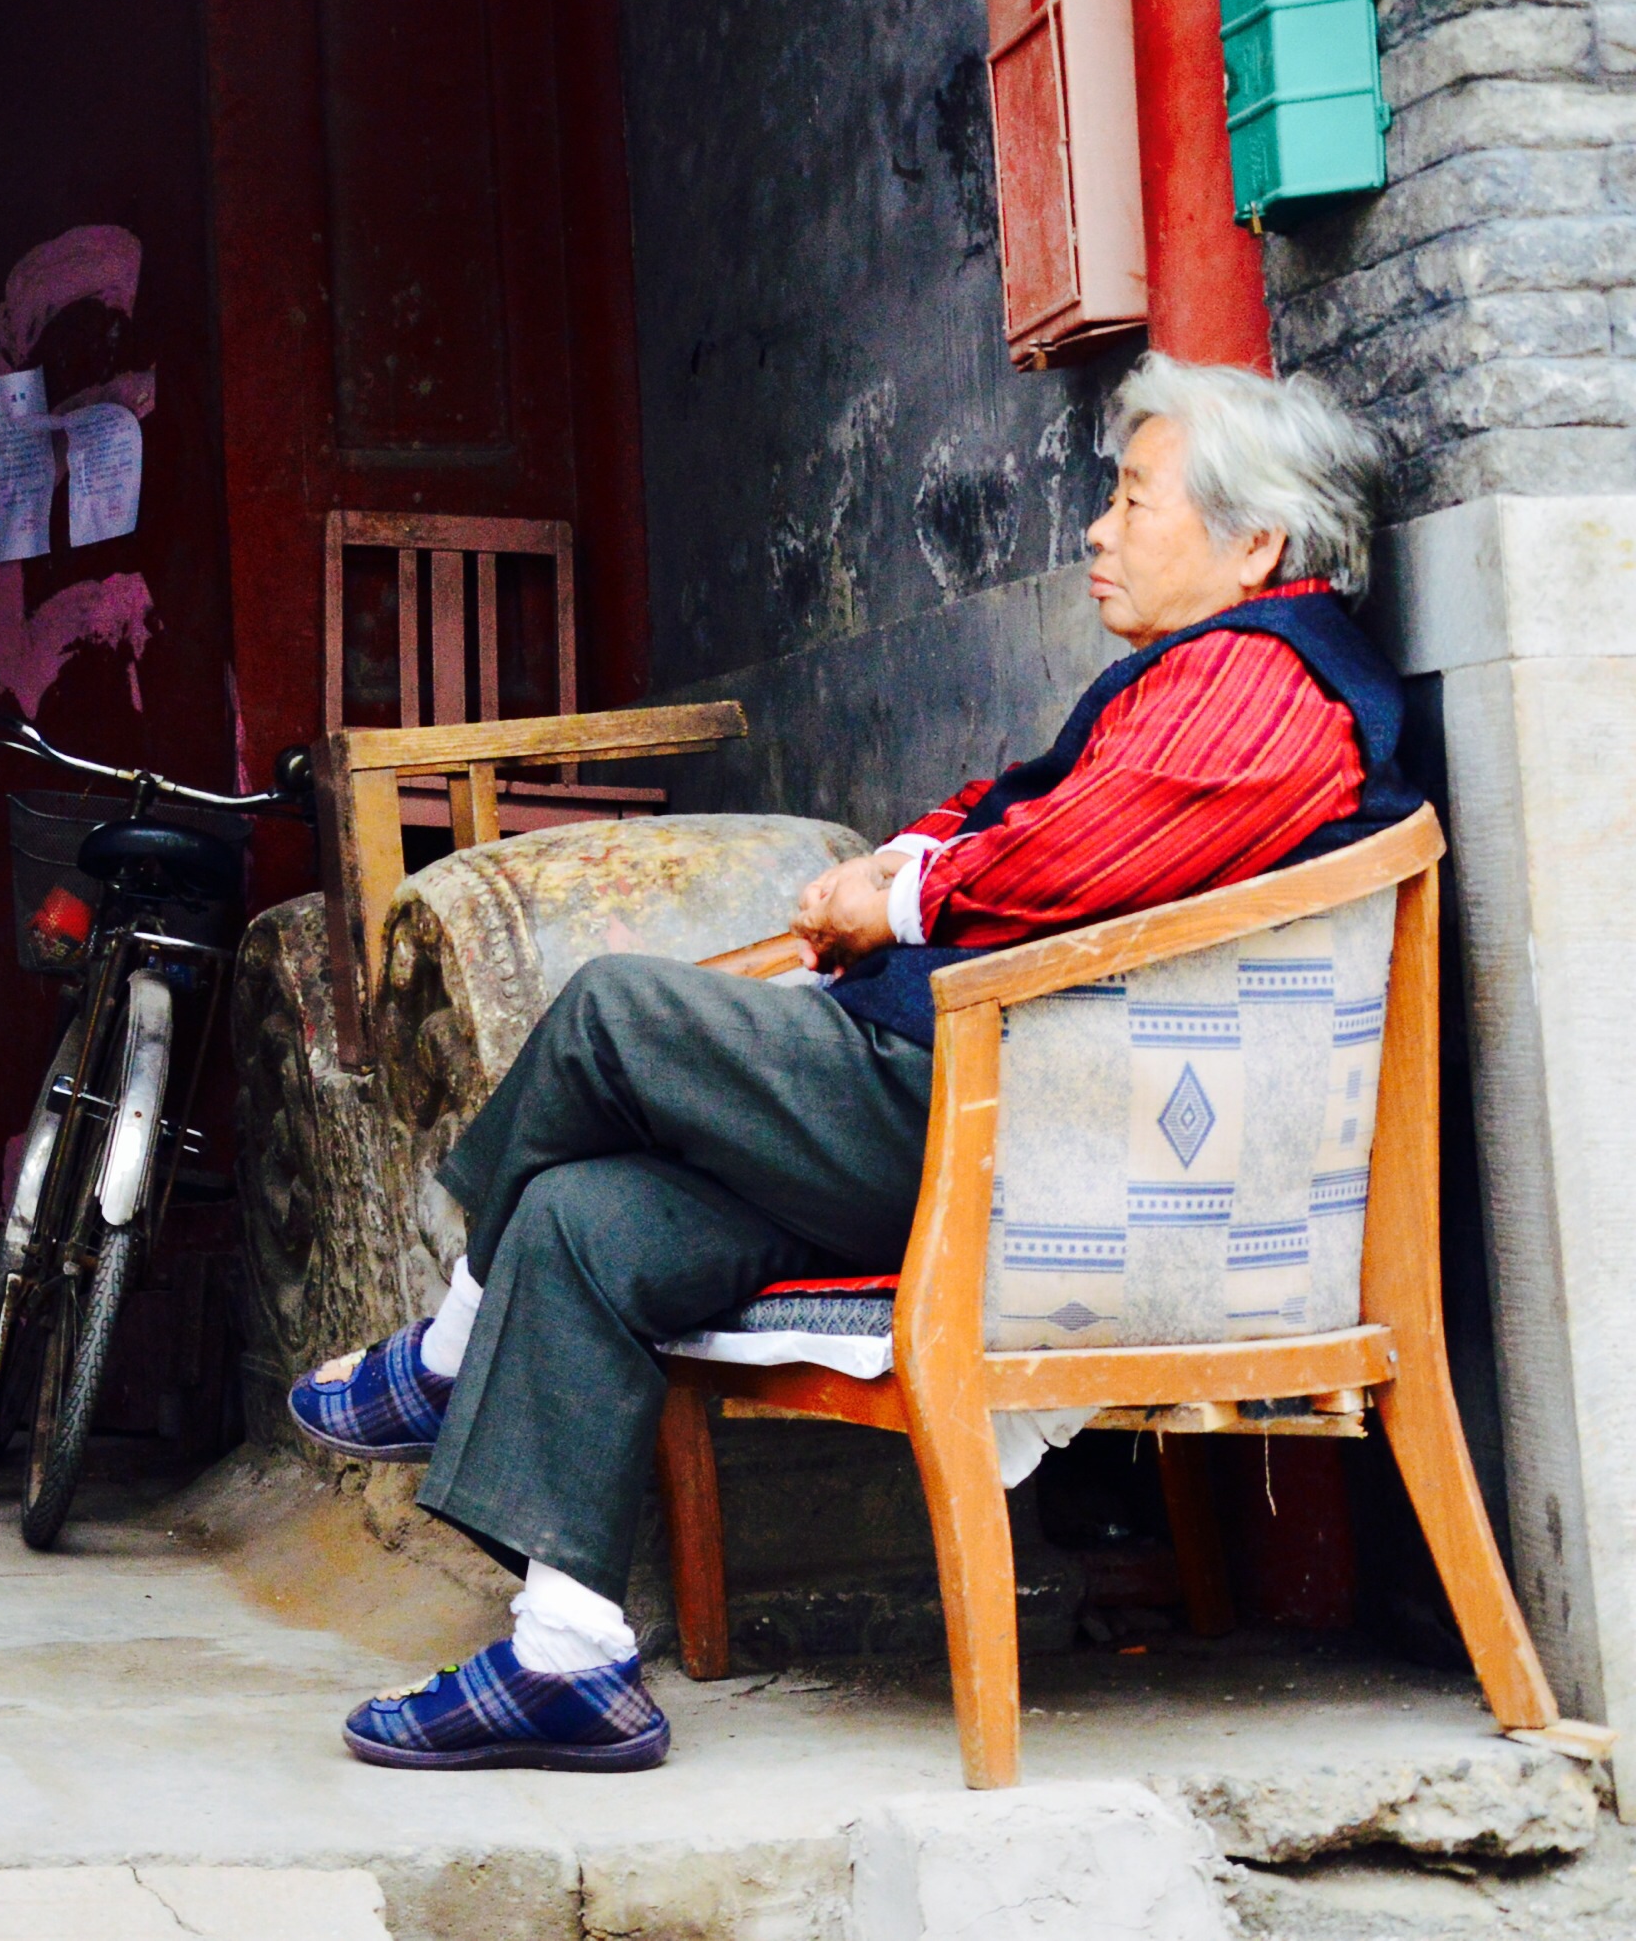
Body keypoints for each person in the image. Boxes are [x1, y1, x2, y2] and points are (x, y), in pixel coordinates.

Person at [286, 354, 1414, 1772]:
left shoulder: (1269, 681)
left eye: (1135, 498)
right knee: (581, 1219)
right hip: (966, 1109)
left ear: (1257, 543)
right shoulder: (1206, 673)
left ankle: (450, 1349)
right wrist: (909, 860)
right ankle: (567, 1655)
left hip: (1013, 1132)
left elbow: (1077, 858)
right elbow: (1014, 813)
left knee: (616, 1012)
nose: (1098, 527)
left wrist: (902, 899)